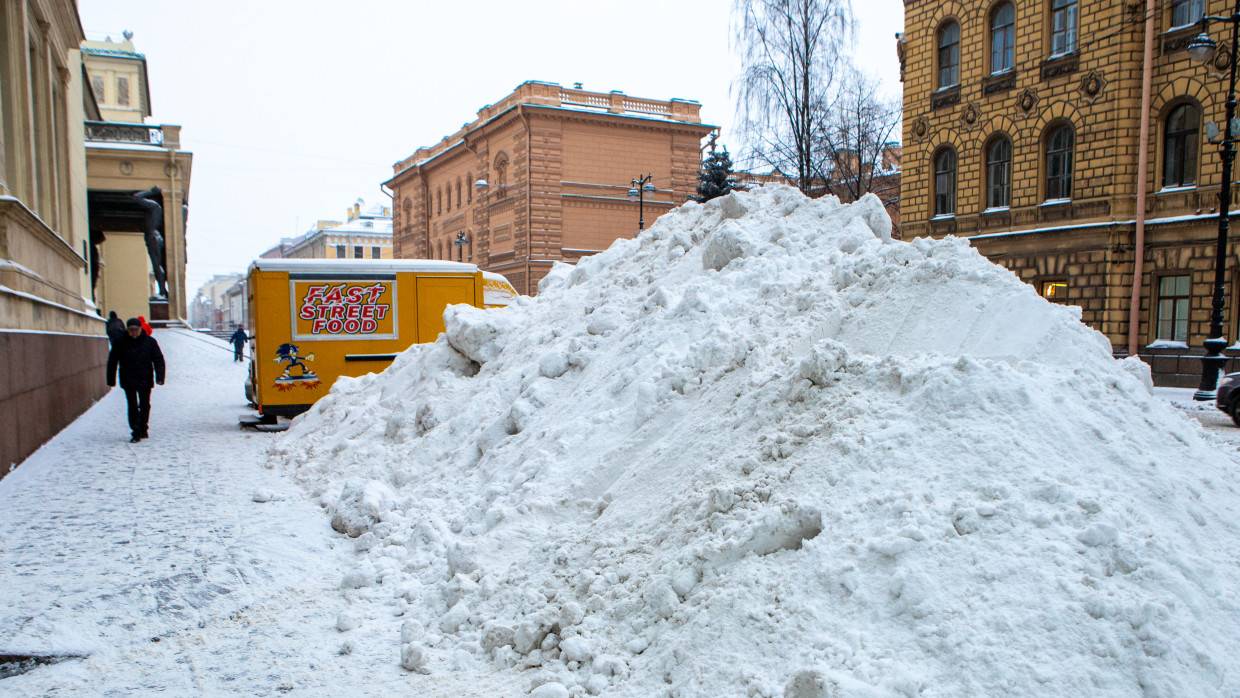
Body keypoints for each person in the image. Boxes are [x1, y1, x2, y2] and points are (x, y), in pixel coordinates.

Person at [106, 318, 166, 443]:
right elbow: (112, 361)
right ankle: (136, 430)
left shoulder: (150, 342)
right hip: (128, 379)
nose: (133, 332)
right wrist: (111, 379)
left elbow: (158, 359)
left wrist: (159, 377)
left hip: (145, 378)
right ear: (127, 330)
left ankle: (143, 427)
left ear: (140, 329)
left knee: (145, 405)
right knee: (132, 405)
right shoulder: (120, 342)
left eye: (136, 330)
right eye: (131, 330)